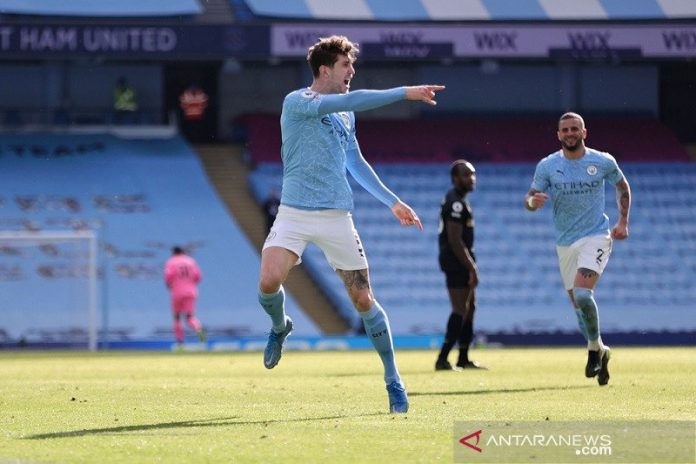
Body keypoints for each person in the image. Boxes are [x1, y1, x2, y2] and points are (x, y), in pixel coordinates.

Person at [257, 35, 445, 414]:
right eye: (346, 66)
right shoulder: (298, 102)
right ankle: (280, 327)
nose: (352, 72)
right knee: (267, 282)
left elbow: (355, 162)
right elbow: (352, 99)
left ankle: (394, 380)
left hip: (336, 216)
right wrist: (405, 92)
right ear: (325, 70)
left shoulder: (345, 115)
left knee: (363, 299)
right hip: (294, 213)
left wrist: (392, 201)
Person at [524, 112, 631, 387]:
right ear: (558, 135)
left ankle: (593, 350)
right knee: (578, 309)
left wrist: (622, 221)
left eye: (575, 129)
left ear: (584, 132)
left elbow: (622, 185)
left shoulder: (602, 160)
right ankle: (600, 349)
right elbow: (529, 199)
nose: (570, 133)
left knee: (583, 295)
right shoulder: (548, 166)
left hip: (596, 235)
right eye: (565, 130)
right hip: (565, 243)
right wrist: (534, 202)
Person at [435, 160, 487, 371]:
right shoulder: (455, 202)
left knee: (470, 307)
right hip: (455, 261)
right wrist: (471, 266)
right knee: (460, 308)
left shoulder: (459, 200)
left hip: (460, 260)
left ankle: (463, 358)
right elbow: (455, 240)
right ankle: (442, 358)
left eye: (473, 174)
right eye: (466, 175)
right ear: (455, 178)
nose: (471, 179)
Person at [164, 246, 206, 346]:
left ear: (173, 252)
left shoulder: (171, 262)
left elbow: (168, 277)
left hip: (177, 292)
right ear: (183, 252)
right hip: (191, 292)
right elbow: (198, 277)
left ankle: (180, 342)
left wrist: (170, 286)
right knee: (190, 317)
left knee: (177, 317)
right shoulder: (191, 261)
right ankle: (199, 330)